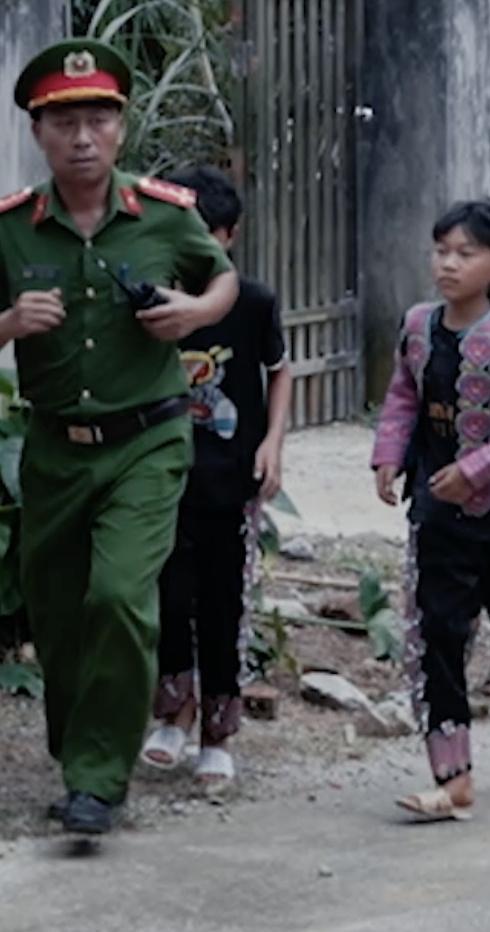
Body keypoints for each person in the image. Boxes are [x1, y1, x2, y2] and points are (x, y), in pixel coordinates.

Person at [0, 39, 240, 840]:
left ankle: (98, 780)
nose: (82, 136)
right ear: (39, 133)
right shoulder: (7, 232)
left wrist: (197, 313)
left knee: (117, 595)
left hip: (148, 439)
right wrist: (8, 323)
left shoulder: (166, 214)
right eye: (64, 121)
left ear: (120, 127)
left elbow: (223, 280)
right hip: (53, 447)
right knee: (62, 614)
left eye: (98, 119)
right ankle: (81, 751)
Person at [369, 199, 490, 821]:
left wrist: (478, 470)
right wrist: (389, 455)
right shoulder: (417, 325)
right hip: (435, 509)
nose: (448, 264)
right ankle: (453, 778)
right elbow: (404, 392)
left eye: (465, 253)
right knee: (436, 632)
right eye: (441, 250)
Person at [141, 166, 291, 790]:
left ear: (230, 235)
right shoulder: (149, 302)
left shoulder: (252, 303)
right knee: (167, 596)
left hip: (230, 477)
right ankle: (172, 715)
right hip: (160, 474)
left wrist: (274, 444)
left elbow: (280, 370)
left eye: (208, 233)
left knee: (224, 603)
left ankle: (218, 734)